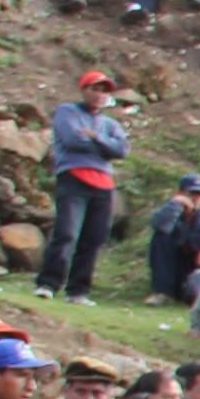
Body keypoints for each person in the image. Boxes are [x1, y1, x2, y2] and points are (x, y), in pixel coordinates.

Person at [36, 70, 130, 304]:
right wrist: (105, 146)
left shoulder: (110, 123)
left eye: (104, 91)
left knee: (94, 238)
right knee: (67, 232)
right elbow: (73, 140)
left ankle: (78, 291)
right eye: (94, 89)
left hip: (104, 183)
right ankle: (48, 283)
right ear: (84, 90)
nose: (99, 95)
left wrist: (96, 138)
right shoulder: (68, 112)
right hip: (74, 176)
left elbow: (122, 151)